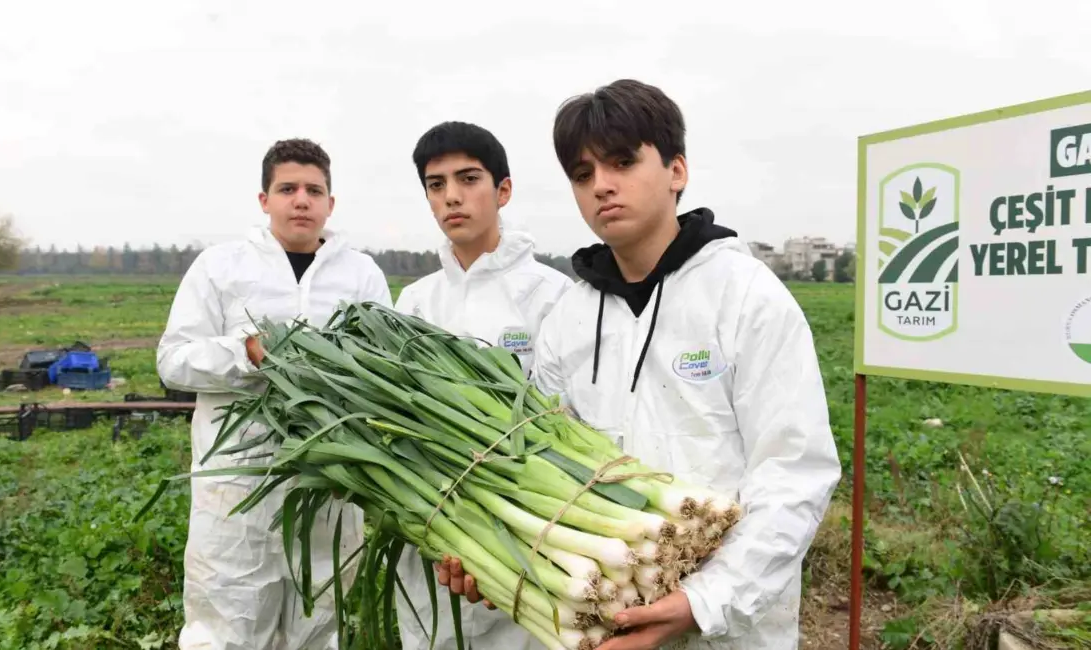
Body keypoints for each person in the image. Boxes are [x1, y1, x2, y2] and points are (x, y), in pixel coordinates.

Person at [441, 79, 842, 649]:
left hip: (730, 629)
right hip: (608, 617)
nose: (602, 185)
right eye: (582, 174)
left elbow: (795, 471)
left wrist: (704, 600)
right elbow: (541, 463)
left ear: (677, 170)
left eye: (623, 162)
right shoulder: (570, 318)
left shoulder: (745, 295)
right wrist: (495, 557)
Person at [157, 138, 393, 650]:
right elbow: (173, 360)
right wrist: (246, 353)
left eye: (314, 190)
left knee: (318, 626)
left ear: (331, 202)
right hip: (237, 490)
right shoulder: (220, 267)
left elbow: (383, 375)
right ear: (264, 200)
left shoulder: (361, 275)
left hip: (328, 488)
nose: (301, 200)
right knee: (226, 630)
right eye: (287, 189)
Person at [391, 120, 574, 650]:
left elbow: (570, 419)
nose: (452, 196)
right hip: (435, 533)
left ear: (503, 190)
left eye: (468, 179)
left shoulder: (553, 295)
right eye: (436, 184)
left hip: (527, 537)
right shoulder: (414, 303)